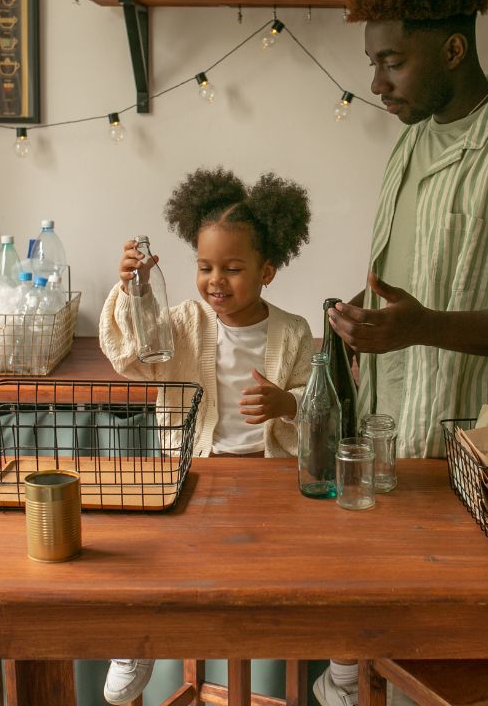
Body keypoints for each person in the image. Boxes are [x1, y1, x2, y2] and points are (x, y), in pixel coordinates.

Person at [317, 0, 488, 706]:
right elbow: (415, 287)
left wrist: (420, 325)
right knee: (401, 659)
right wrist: (368, 323)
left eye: (393, 61)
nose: (376, 83)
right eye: (373, 62)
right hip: (411, 451)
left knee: (471, 675)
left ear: (454, 48)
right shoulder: (414, 140)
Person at [99, 166, 314, 705]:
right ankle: (136, 643)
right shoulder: (183, 323)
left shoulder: (292, 331)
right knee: (150, 553)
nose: (216, 280)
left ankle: (343, 669)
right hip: (194, 468)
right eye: (204, 266)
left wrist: (287, 403)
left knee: (323, 564)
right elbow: (133, 352)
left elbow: (321, 404)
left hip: (270, 479)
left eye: (233, 268)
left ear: (267, 271)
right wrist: (136, 288)